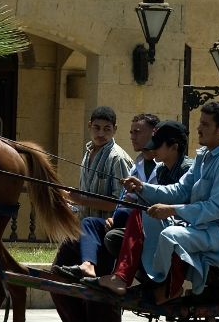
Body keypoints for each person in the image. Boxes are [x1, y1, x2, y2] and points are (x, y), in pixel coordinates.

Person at [121, 101, 219, 300]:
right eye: (200, 123)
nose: (198, 128)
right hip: (205, 224)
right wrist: (143, 187)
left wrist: (172, 210)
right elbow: (180, 190)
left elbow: (214, 209)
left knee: (171, 234)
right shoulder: (203, 157)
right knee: (147, 216)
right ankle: (147, 279)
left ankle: (164, 287)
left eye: (205, 124)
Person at [50, 111, 156, 322]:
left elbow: (118, 202)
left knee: (99, 292)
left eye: (106, 129)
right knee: (56, 277)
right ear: (89, 127)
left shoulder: (118, 158)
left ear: (113, 130)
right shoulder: (88, 153)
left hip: (108, 234)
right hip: (86, 230)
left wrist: (81, 200)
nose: (100, 133)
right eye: (96, 128)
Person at [82, 120, 193, 297]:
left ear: (174, 147)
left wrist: (154, 201)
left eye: (158, 145)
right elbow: (164, 194)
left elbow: (182, 200)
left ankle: (127, 278)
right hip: (163, 223)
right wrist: (139, 189)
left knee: (136, 215)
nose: (153, 150)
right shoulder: (163, 170)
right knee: (113, 235)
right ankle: (142, 280)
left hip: (182, 226)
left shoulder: (188, 169)